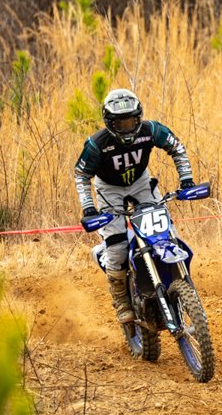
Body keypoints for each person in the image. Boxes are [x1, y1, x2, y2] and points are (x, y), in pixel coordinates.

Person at [74, 88, 196, 324]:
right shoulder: (96, 144)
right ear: (109, 123)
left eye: (131, 121)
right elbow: (81, 174)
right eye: (120, 124)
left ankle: (175, 284)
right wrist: (89, 207)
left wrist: (186, 180)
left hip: (140, 183)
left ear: (139, 117)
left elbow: (177, 148)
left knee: (166, 233)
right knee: (117, 247)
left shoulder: (152, 130)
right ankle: (120, 299)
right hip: (109, 189)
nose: (127, 128)